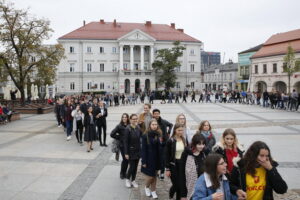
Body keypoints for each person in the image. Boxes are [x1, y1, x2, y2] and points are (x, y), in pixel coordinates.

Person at [180, 134, 207, 200]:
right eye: (199, 144)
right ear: (194, 144)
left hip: (203, 188)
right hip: (191, 188)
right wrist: (183, 194)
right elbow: (181, 174)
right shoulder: (186, 154)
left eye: (203, 144)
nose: (202, 146)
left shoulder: (204, 154)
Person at [141, 119, 162, 199]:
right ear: (149, 125)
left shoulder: (159, 134)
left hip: (157, 158)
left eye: (155, 124)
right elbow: (143, 149)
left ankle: (153, 190)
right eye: (153, 124)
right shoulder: (145, 135)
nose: (154, 126)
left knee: (155, 176)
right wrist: (144, 161)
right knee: (150, 176)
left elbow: (161, 145)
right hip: (149, 159)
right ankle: (146, 187)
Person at [165, 123, 186, 200]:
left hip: (182, 164)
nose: (180, 132)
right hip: (173, 165)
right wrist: (167, 169)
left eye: (182, 130)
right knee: (176, 184)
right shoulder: (170, 141)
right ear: (175, 130)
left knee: (180, 185)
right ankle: (171, 194)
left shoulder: (183, 139)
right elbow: (167, 156)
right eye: (179, 130)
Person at [152, 109, 173, 181]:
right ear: (153, 114)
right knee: (156, 157)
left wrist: (169, 131)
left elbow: (171, 124)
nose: (156, 115)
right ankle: (156, 171)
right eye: (155, 114)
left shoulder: (163, 121)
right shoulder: (152, 122)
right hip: (156, 142)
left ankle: (162, 173)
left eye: (157, 113)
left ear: (159, 114)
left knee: (163, 158)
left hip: (164, 142)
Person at [124, 114, 142, 188]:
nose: (135, 120)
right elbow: (125, 142)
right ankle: (127, 179)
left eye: (136, 119)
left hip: (137, 150)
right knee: (132, 166)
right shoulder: (128, 129)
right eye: (133, 119)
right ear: (130, 120)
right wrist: (126, 153)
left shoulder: (138, 127)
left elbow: (141, 137)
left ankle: (133, 180)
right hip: (131, 151)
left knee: (136, 167)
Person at [110, 113, 130, 179]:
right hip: (122, 145)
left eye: (125, 117)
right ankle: (122, 173)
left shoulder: (130, 125)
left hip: (129, 145)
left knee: (128, 160)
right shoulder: (119, 126)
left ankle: (125, 172)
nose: (124, 118)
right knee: (125, 159)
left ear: (127, 118)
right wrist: (120, 137)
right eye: (123, 117)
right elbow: (112, 134)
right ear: (122, 118)